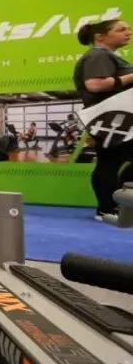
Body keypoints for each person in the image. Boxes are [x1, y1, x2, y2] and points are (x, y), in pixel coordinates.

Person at [73, 17, 133, 221]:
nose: (128, 32)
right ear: (100, 36)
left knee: (109, 163)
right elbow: (95, 85)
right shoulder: (98, 55)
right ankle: (110, 207)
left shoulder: (105, 56)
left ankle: (112, 205)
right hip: (111, 119)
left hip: (117, 119)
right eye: (121, 29)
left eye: (128, 29)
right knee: (109, 164)